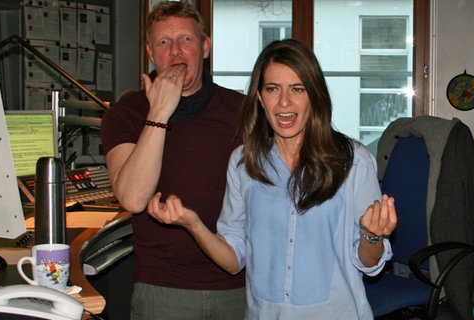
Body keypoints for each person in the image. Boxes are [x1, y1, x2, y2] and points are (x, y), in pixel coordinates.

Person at [147, 39, 398, 319]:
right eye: (272, 89)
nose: (284, 102)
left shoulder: (354, 161)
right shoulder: (244, 163)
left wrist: (371, 236)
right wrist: (192, 224)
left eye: (297, 89)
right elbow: (232, 261)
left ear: (314, 96)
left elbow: (369, 262)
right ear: (259, 98)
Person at [100, 1, 246, 319]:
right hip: (163, 288)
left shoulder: (243, 111)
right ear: (151, 53)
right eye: (164, 42)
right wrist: (159, 113)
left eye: (186, 40)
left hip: (240, 283)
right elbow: (133, 198)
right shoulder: (126, 114)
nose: (176, 52)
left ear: (205, 47)